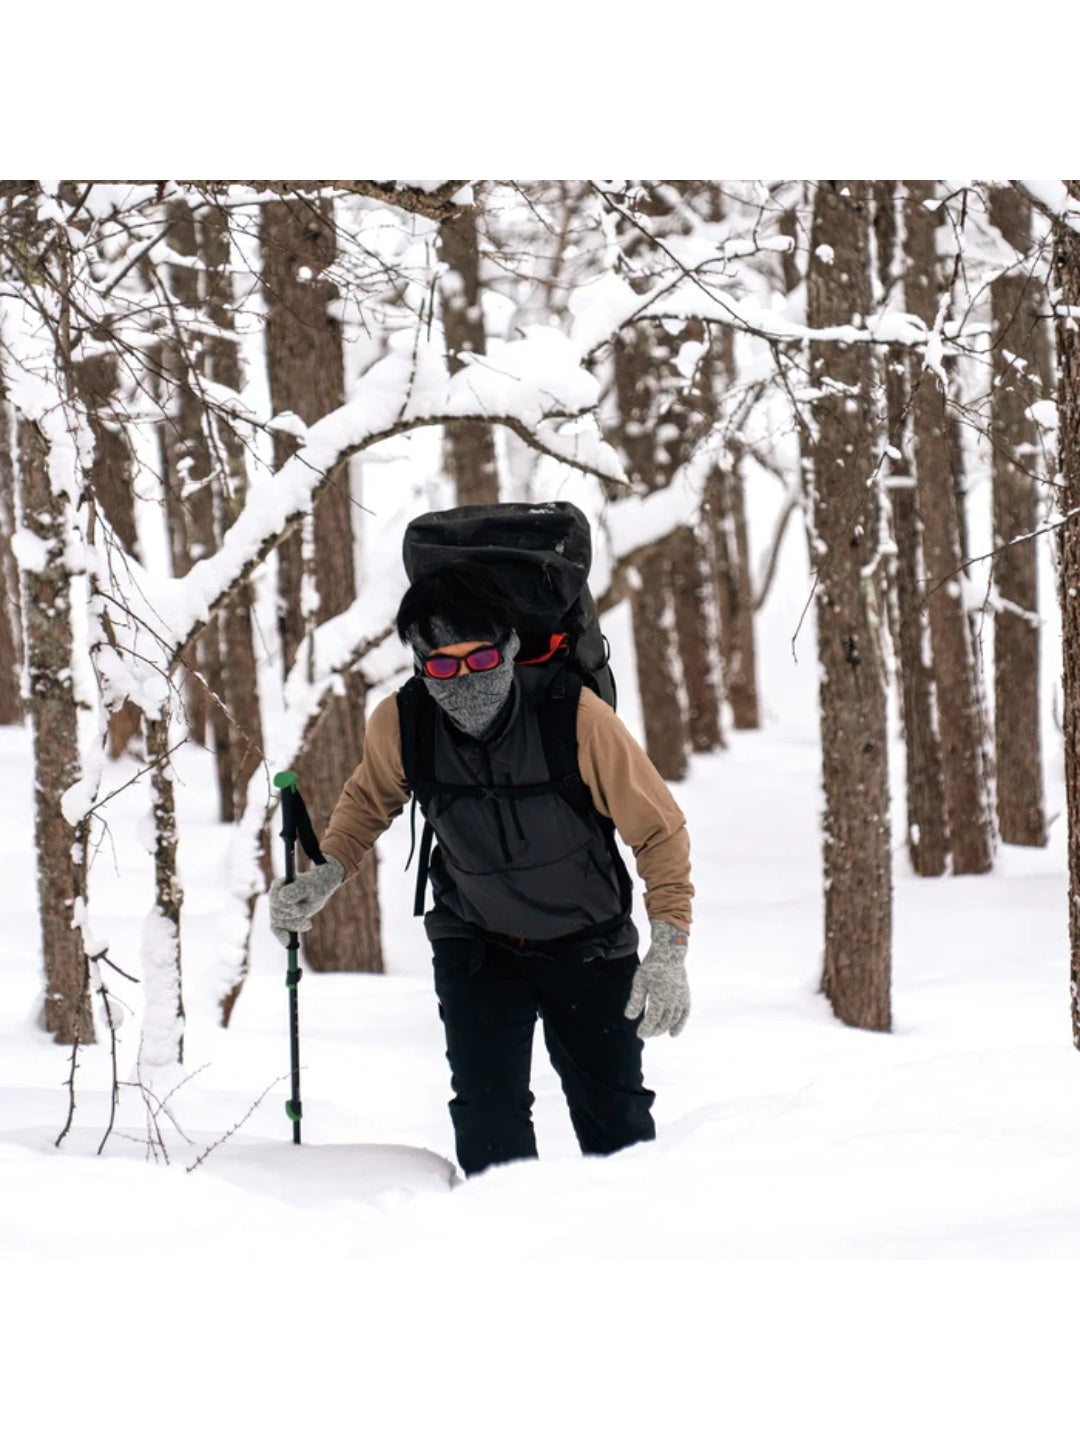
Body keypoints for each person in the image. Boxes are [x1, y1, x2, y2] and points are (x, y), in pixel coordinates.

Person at [269, 562, 693, 1177]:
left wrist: (670, 947)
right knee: (487, 1116)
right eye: (442, 665)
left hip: (587, 945)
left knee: (616, 1120)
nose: (464, 679)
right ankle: (498, 1254)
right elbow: (369, 800)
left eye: (481, 660)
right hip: (477, 940)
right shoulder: (405, 721)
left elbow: (659, 831)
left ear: (510, 648)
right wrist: (327, 871)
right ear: (419, 663)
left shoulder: (575, 718)